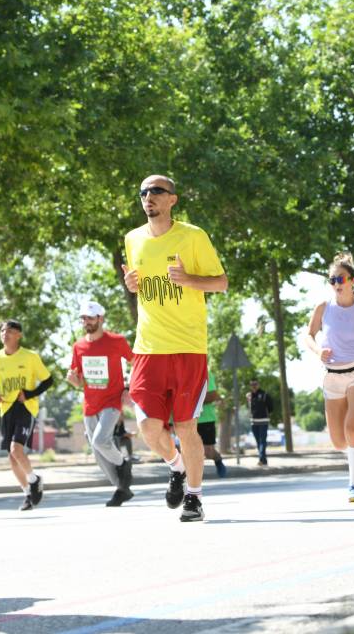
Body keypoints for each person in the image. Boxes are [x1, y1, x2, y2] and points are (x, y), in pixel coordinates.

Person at [121, 174, 227, 522]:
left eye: (155, 192)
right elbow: (140, 285)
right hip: (148, 348)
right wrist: (131, 285)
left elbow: (221, 283)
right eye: (143, 193)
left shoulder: (193, 237)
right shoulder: (132, 239)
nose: (147, 197)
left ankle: (194, 497)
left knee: (185, 427)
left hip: (188, 347)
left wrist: (188, 280)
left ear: (172, 200)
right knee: (149, 427)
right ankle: (176, 467)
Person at [303, 253, 354, 502]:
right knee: (338, 440)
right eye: (332, 279)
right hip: (332, 375)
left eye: (341, 279)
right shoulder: (323, 308)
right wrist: (317, 351)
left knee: (351, 428)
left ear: (352, 280)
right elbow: (308, 335)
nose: (336, 284)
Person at [66, 300, 135, 507]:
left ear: (100, 319)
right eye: (83, 318)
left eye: (90, 317)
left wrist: (128, 388)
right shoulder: (78, 346)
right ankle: (122, 488)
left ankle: (124, 465)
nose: (85, 321)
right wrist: (73, 380)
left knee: (99, 441)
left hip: (112, 401)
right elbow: (79, 381)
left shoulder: (116, 340)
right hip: (90, 403)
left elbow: (136, 362)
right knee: (97, 451)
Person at [0, 320, 54, 511]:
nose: (5, 334)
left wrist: (29, 394)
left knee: (16, 449)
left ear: (19, 335)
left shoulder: (30, 357)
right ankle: (27, 493)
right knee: (12, 458)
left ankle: (34, 479)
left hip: (26, 408)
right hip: (6, 409)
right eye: (3, 331)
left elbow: (48, 381)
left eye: (11, 331)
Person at [199, 372, 228, 477]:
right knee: (189, 450)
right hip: (187, 419)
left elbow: (212, 395)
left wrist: (191, 399)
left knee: (208, 452)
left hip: (205, 419)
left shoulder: (206, 373)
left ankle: (218, 460)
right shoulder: (179, 372)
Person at [247, 379, 273, 465]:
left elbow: (271, 407)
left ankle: (261, 459)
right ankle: (264, 460)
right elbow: (250, 408)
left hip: (263, 421)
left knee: (262, 441)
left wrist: (265, 414)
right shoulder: (249, 396)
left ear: (258, 384)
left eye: (255, 384)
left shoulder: (265, 394)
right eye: (252, 384)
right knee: (258, 441)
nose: (254, 386)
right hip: (254, 422)